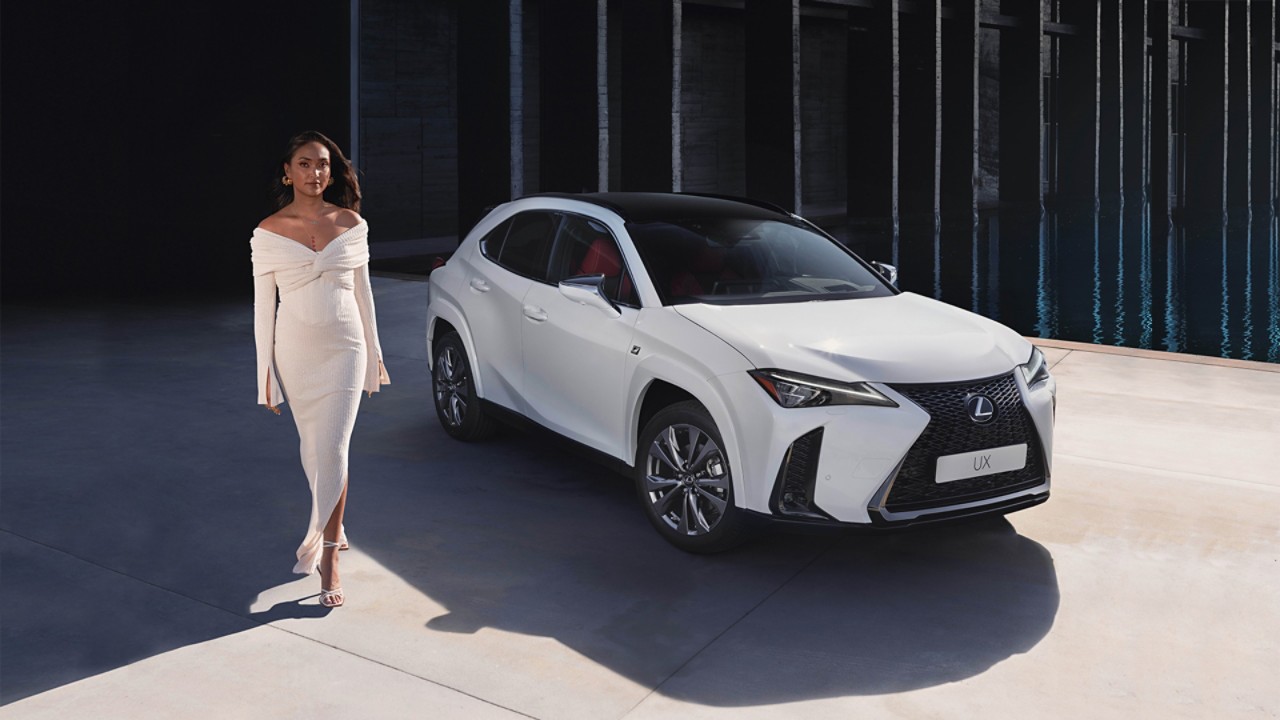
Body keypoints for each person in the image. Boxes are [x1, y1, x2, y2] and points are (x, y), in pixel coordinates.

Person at [250, 130, 390, 609]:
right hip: (295, 352)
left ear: (333, 171)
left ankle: (327, 554)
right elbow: (261, 309)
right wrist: (264, 377)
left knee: (332, 447)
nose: (316, 173)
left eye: (324, 164)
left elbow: (364, 294)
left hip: (346, 348)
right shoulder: (268, 231)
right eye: (305, 164)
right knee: (315, 450)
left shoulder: (351, 223)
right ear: (287, 172)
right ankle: (337, 520)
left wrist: (374, 357)